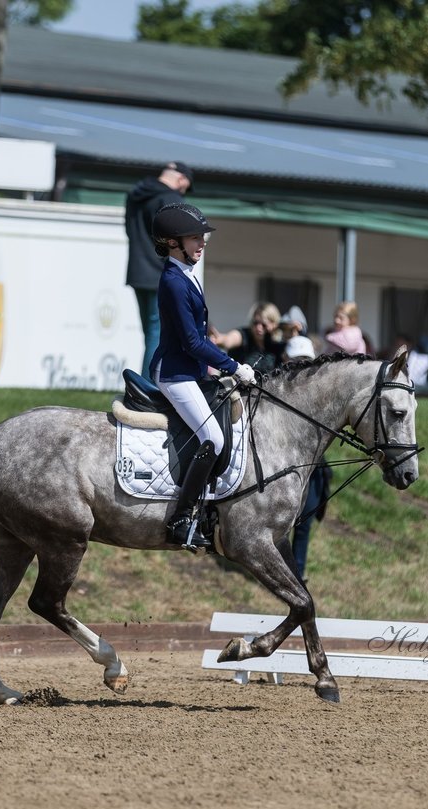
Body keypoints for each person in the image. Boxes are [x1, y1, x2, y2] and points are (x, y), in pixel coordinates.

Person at [149, 204, 255, 550]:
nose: (203, 242)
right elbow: (192, 343)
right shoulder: (173, 281)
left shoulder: (186, 274)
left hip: (190, 371)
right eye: (195, 236)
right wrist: (233, 366)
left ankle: (208, 510)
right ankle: (181, 518)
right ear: (172, 241)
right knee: (213, 438)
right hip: (175, 374)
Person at [124, 162, 194, 375]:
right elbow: (179, 239)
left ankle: (144, 384)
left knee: (150, 332)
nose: (183, 192)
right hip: (160, 274)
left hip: (137, 272)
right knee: (159, 333)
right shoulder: (171, 199)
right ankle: (146, 387)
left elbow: (129, 230)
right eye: (185, 187)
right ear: (181, 179)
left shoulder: (135, 195)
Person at [281, 336, 331, 584]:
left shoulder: (318, 392)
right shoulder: (276, 388)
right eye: (295, 361)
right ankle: (282, 573)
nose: (300, 367)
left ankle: (297, 575)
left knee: (304, 521)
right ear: (285, 360)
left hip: (312, 468)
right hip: (280, 467)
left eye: (305, 362)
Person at [215, 302, 285, 374]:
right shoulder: (245, 335)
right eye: (255, 323)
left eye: (264, 324)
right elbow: (230, 339)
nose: (258, 328)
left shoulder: (277, 345)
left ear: (274, 324)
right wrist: (220, 340)